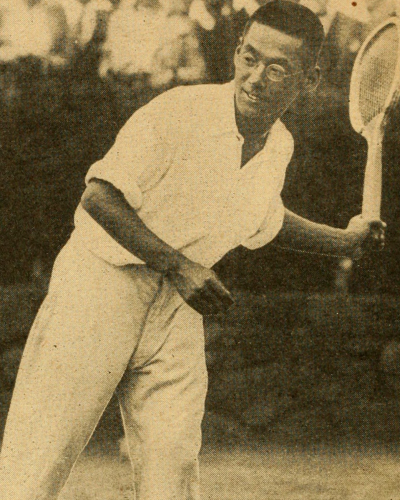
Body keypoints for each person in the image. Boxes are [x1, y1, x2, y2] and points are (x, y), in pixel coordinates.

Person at [0, 1, 384, 500]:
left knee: (173, 464)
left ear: (309, 80)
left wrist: (343, 240)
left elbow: (263, 219)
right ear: (237, 51)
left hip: (177, 305)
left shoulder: (279, 145)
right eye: (250, 58)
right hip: (99, 285)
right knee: (39, 455)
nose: (255, 78)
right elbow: (99, 196)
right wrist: (179, 266)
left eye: (277, 68)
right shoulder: (178, 112)